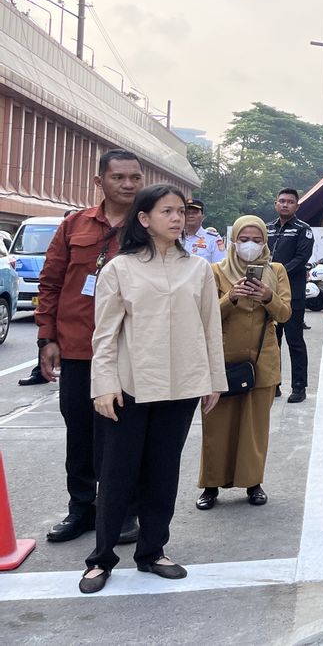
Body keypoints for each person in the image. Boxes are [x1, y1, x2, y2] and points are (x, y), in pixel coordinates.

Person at [79, 184, 226, 594]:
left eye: (181, 211)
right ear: (144, 219)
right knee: (117, 474)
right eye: (167, 212)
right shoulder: (119, 270)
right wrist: (103, 385)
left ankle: (152, 551)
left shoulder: (197, 268)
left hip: (180, 387)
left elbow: (210, 329)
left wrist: (213, 380)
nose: (177, 218)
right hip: (129, 387)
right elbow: (104, 335)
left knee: (163, 473)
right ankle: (101, 558)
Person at [37, 148, 144, 545]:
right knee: (79, 431)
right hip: (79, 348)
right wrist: (47, 338)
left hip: (129, 350)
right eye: (119, 177)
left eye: (135, 177)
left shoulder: (149, 227)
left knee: (121, 433)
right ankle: (81, 508)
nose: (129, 184)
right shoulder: (73, 225)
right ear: (99, 181)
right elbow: (50, 284)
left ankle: (125, 510)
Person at [196, 215, 291, 510]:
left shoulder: (276, 270)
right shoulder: (216, 271)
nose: (250, 245)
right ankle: (210, 486)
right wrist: (231, 297)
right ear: (234, 241)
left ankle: (253, 483)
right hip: (222, 360)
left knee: (254, 427)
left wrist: (267, 296)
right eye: (244, 239)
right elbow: (204, 316)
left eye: (257, 239)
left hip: (263, 360)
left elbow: (285, 314)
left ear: (265, 242)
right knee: (216, 426)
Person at [267, 188, 313, 404]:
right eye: (282, 201)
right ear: (276, 203)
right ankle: (273, 384)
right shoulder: (266, 229)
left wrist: (277, 273)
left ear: (297, 206)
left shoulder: (303, 230)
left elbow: (301, 258)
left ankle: (298, 387)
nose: (285, 205)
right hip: (268, 296)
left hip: (292, 296)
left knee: (294, 342)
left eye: (290, 202)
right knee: (271, 342)